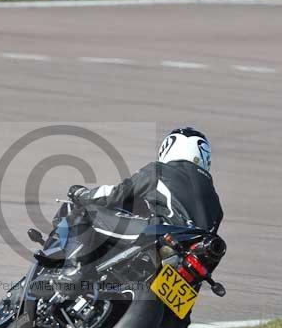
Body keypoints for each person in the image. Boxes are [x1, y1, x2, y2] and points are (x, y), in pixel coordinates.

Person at [32, 127, 223, 297]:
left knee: (87, 212)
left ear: (168, 148)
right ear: (205, 157)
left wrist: (82, 193)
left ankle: (73, 273)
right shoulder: (215, 202)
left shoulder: (161, 170)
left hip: (161, 233)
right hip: (189, 254)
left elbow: (116, 195)